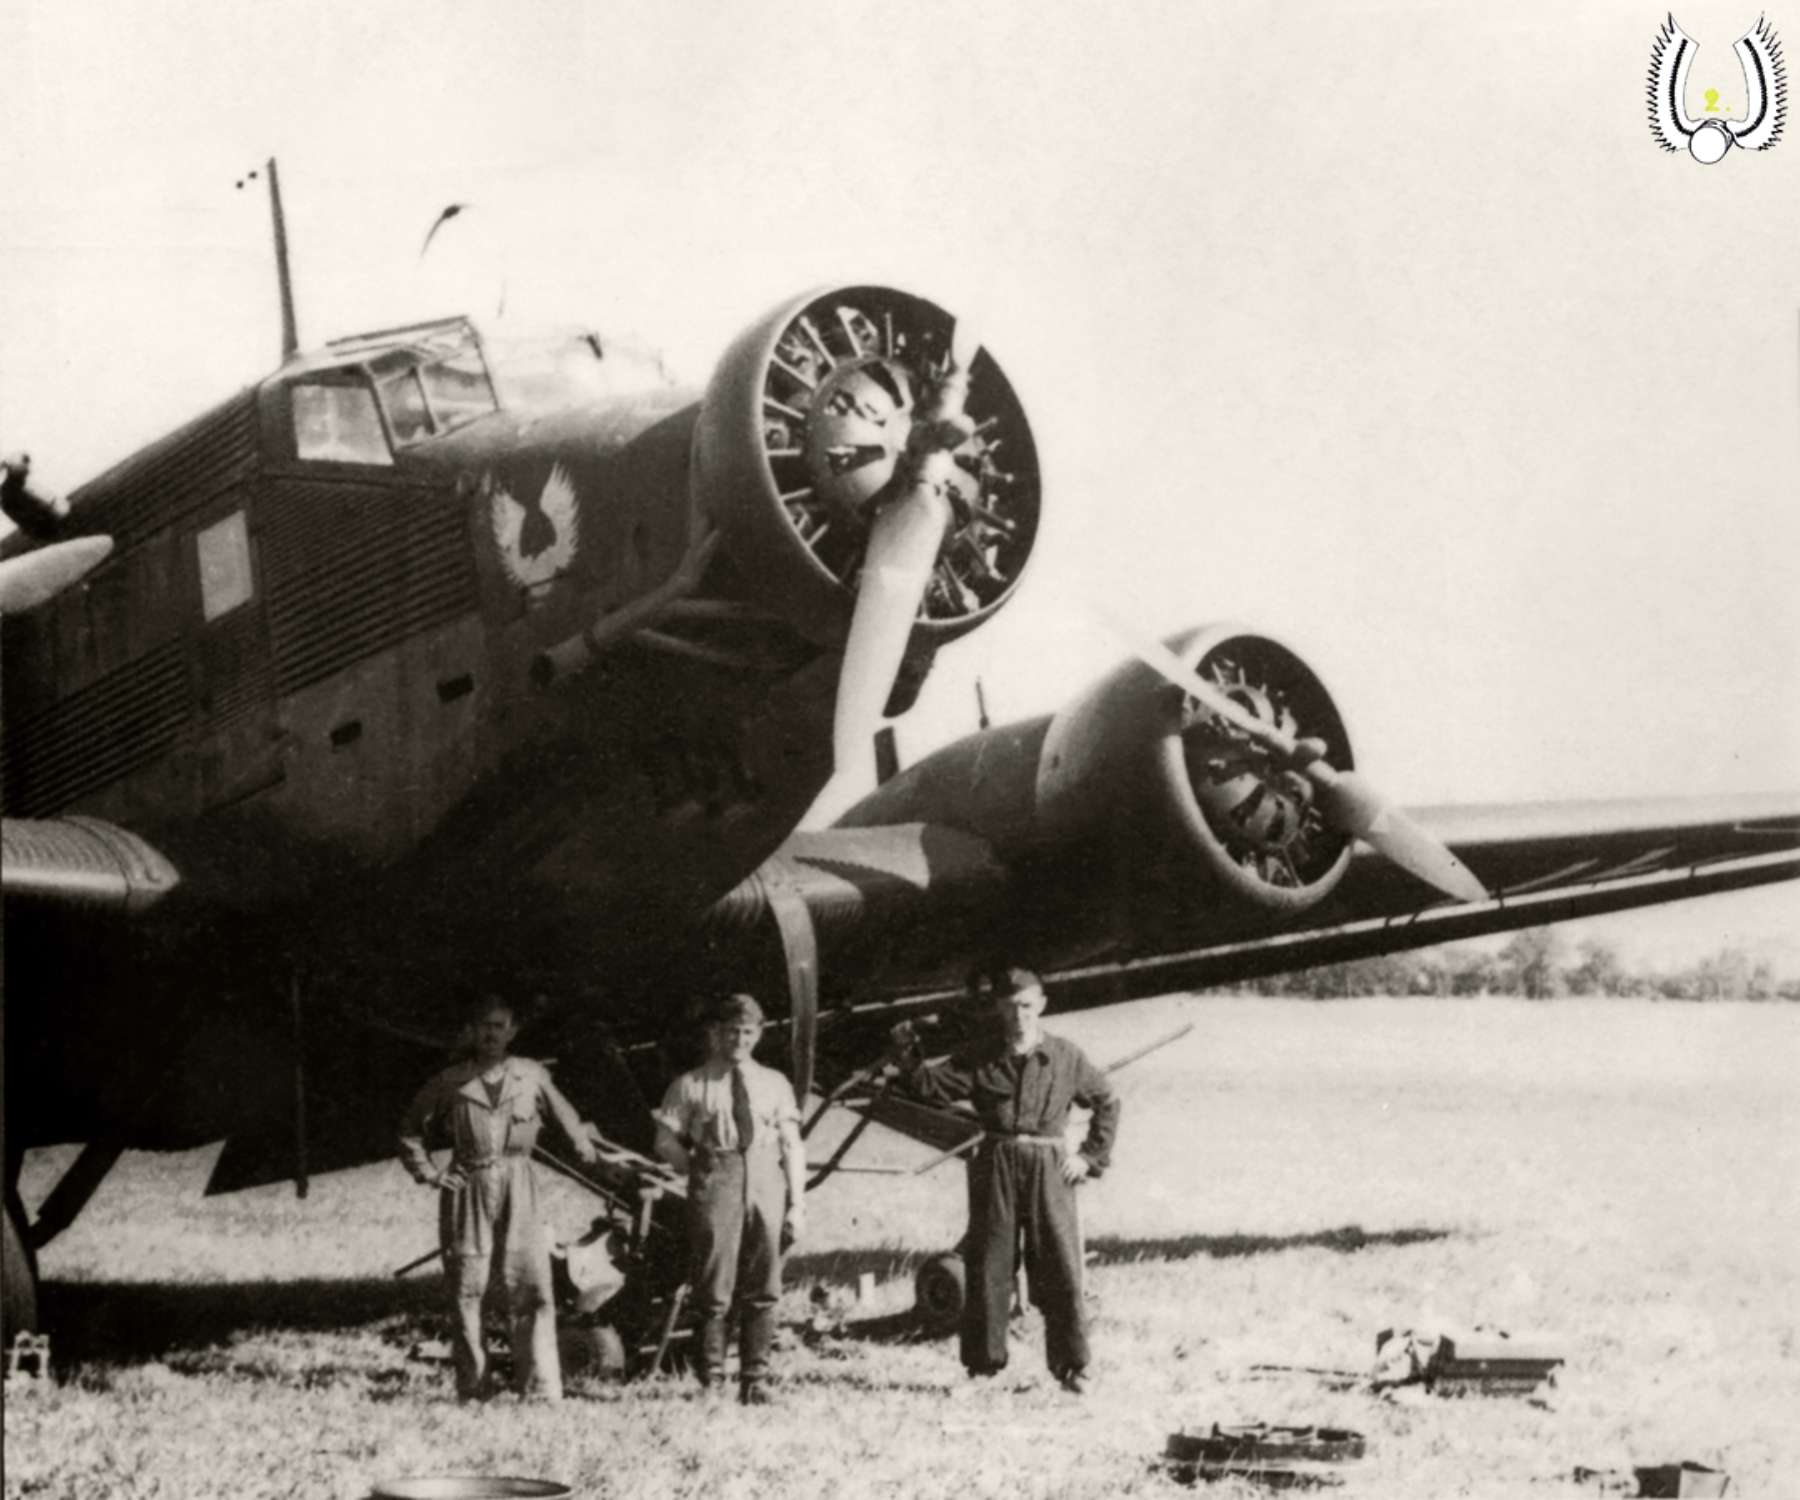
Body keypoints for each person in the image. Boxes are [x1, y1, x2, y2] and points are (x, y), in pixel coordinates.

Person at [889, 966, 1121, 1394]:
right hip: (995, 1163)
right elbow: (929, 1087)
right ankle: (982, 1368)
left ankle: (1073, 1368)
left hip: (1049, 1167)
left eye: (1027, 1007)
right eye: (1011, 1008)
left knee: (1060, 1266)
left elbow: (1106, 1100)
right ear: (999, 1008)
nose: (1019, 1016)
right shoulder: (981, 1055)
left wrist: (1089, 1157)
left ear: (1042, 1006)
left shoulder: (1066, 1057)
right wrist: (907, 1055)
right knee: (988, 1264)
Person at [398, 995, 601, 1402]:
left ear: (512, 1031)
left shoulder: (532, 1076)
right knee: (466, 1289)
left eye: (499, 1026)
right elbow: (409, 1133)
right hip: (468, 1185)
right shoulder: (450, 1081)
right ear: (471, 1032)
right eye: (483, 1027)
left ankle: (540, 1388)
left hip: (519, 1184)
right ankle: (474, 1389)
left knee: (531, 1285)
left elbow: (571, 1125)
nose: (491, 1035)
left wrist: (597, 1157)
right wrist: (433, 1175)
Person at [653, 993, 806, 1405]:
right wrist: (699, 1170)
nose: (739, 1039)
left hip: (766, 1180)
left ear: (759, 1035)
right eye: (731, 1031)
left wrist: (797, 1204)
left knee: (765, 1282)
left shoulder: (774, 1083)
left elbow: (792, 1144)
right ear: (716, 1034)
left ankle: (756, 1380)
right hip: (717, 1178)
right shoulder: (692, 1083)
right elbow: (665, 1140)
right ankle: (712, 1381)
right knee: (712, 1283)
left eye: (747, 1032)